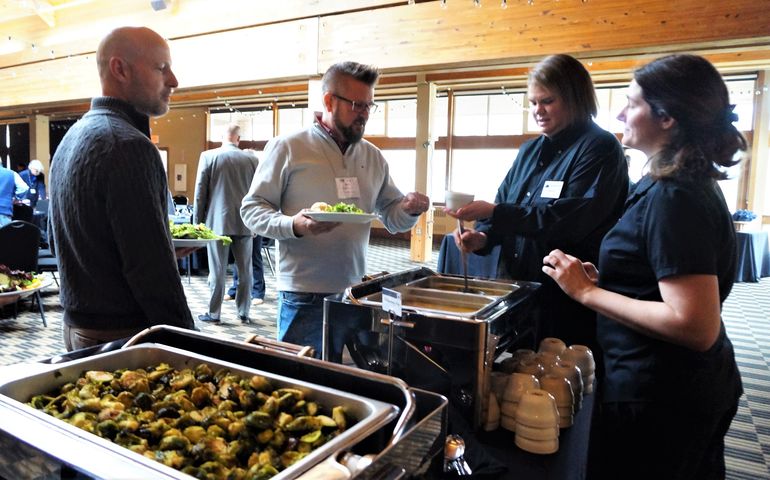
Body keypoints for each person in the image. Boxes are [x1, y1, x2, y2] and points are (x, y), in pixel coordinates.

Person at [542, 54, 743, 480]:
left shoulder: (676, 194)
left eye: (631, 102)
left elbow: (694, 324)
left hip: (664, 396)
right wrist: (611, 281)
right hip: (670, 389)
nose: (619, 112)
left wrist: (587, 293)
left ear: (667, 117)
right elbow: (661, 280)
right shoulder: (666, 181)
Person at [241, 61, 430, 358]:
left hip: (355, 293)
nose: (365, 114)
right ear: (329, 101)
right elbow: (252, 210)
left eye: (370, 106)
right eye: (357, 105)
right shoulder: (288, 147)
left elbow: (394, 220)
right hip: (302, 293)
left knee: (348, 382)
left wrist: (408, 208)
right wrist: (294, 225)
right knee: (300, 382)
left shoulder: (373, 156)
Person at [447, 54, 628, 355]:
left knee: (561, 381)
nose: (537, 111)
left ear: (574, 97)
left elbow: (570, 220)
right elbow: (504, 204)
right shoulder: (529, 150)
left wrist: (495, 213)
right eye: (532, 103)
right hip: (517, 288)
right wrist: (482, 237)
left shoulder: (600, 147)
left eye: (547, 101)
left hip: (565, 297)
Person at [49, 26, 195, 351]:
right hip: (124, 336)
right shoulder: (128, 145)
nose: (173, 80)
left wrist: (160, 245)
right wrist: (190, 344)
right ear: (120, 69)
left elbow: (67, 239)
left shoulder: (70, 138)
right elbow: (151, 273)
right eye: (162, 68)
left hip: (76, 327)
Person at [194, 124, 259, 324]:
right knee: (245, 270)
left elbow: (200, 192)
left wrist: (197, 222)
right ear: (238, 139)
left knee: (218, 271)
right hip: (245, 222)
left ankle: (214, 314)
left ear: (223, 137)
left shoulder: (208, 156)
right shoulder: (252, 159)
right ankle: (244, 312)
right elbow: (258, 193)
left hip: (217, 222)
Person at [227, 148, 266, 305]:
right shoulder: (240, 180)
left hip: (255, 221)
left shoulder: (259, 179)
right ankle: (235, 289)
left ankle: (258, 292)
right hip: (239, 221)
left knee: (254, 257)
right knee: (239, 260)